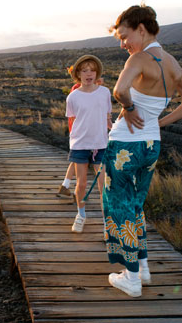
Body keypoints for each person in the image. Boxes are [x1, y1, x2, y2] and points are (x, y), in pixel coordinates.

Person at [104, 4, 182, 298]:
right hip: (150, 145)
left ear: (141, 29)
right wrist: (159, 122)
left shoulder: (139, 58)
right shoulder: (171, 62)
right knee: (135, 206)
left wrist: (129, 107)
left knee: (120, 207)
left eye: (125, 36)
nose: (123, 44)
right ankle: (142, 269)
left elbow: (119, 91)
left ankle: (131, 279)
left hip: (125, 145)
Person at [65, 55, 112, 233]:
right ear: (78, 74)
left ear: (97, 72)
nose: (89, 73)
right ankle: (81, 214)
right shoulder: (73, 97)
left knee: (104, 185)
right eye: (84, 70)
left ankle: (107, 221)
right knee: (82, 183)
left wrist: (114, 129)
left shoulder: (105, 92)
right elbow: (73, 121)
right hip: (80, 145)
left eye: (92, 70)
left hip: (100, 145)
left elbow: (107, 117)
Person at [58, 78, 105, 197]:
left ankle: (66, 186)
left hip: (81, 132)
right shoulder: (77, 89)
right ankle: (72, 189)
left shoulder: (91, 89)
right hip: (81, 132)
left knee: (76, 160)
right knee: (78, 160)